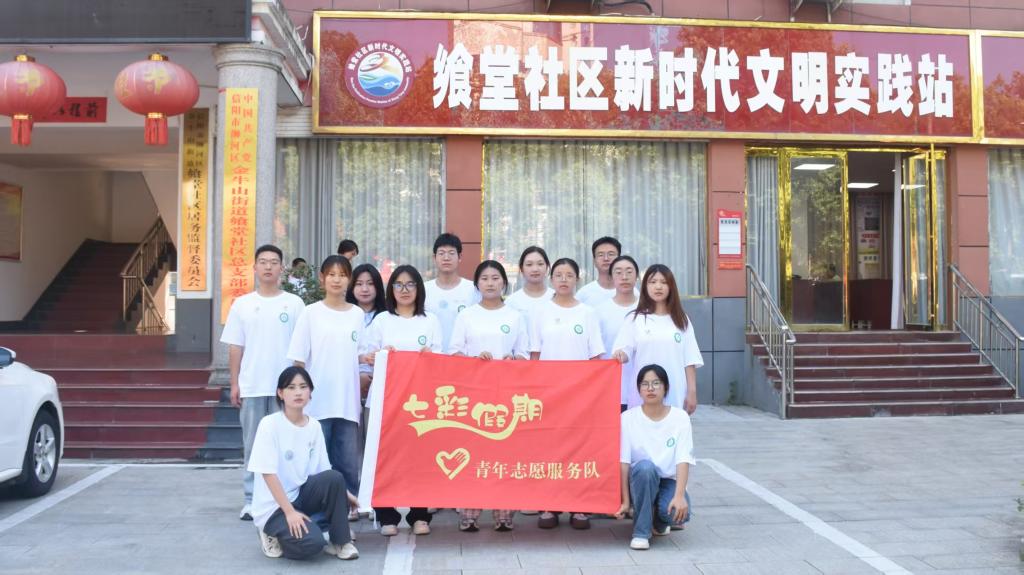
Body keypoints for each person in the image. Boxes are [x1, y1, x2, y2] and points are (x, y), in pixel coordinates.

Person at [221, 244, 305, 522]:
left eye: (274, 262)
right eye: (263, 262)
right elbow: (236, 347)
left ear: (282, 268)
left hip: (287, 390)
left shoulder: (294, 303)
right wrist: (234, 383)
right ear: (255, 268)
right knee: (254, 446)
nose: (268, 266)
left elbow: (302, 347)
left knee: (287, 445)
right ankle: (251, 500)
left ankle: (288, 499)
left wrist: (300, 386)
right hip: (253, 386)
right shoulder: (242, 304)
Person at [361, 264, 442, 536]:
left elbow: (441, 359)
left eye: (410, 284)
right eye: (398, 284)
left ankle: (420, 515)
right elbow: (367, 356)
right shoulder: (382, 320)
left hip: (421, 402)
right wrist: (380, 355)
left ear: (419, 288)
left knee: (420, 457)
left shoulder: (430, 321)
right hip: (386, 401)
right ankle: (387, 516)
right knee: (386, 456)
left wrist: (430, 356)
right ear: (391, 289)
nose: (404, 290)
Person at [449, 260, 529, 533]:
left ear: (504, 283)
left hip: (506, 395)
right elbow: (454, 352)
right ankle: (469, 512)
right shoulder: (467, 316)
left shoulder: (515, 316)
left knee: (504, 452)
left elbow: (524, 354)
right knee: (472, 451)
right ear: (477, 285)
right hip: (473, 395)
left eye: (496, 278)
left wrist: (512, 360)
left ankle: (503, 513)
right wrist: (474, 359)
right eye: (485, 278)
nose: (491, 283)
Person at [249, 366, 359, 561]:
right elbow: (268, 474)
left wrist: (346, 494)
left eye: (303, 387)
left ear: (310, 392)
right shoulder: (269, 424)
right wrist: (289, 512)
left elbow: (325, 471)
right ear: (280, 393)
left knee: (335, 477)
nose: (298, 392)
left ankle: (341, 542)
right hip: (274, 507)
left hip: (300, 495)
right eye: (291, 387)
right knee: (313, 544)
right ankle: (270, 533)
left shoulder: (314, 426)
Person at [529, 257, 604, 530]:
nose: (563, 279)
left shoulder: (588, 313)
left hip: (580, 395)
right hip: (549, 395)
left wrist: (594, 393)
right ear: (551, 279)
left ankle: (579, 506)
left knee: (579, 450)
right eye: (559, 275)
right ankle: (549, 505)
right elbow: (534, 355)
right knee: (549, 450)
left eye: (569, 275)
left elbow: (596, 356)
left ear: (577, 279)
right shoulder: (540, 312)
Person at [286, 256, 365, 506]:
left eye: (342, 275)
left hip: (347, 401)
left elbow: (361, 355)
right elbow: (298, 362)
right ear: (322, 278)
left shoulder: (357, 315)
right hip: (317, 402)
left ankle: (349, 507)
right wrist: (298, 398)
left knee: (348, 461)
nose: (336, 280)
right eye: (331, 274)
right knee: (317, 461)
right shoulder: (310, 313)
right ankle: (320, 507)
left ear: (349, 280)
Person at [615, 364, 693, 551]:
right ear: (639, 390)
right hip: (639, 480)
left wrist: (679, 496)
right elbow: (624, 462)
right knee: (645, 468)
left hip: (667, 481)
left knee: (678, 514)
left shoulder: (680, 418)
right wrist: (625, 500)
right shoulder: (627, 418)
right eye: (645, 384)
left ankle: (658, 522)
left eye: (656, 383)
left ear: (666, 387)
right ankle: (641, 533)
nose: (650, 388)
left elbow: (683, 459)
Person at [612, 264, 703, 414]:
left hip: (675, 390)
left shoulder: (681, 320)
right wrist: (620, 354)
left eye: (664, 282)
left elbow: (690, 359)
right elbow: (623, 350)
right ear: (645, 287)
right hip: (643, 392)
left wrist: (692, 391)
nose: (658, 287)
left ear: (671, 287)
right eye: (653, 282)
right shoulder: (635, 319)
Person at [595, 255, 640, 412]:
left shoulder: (648, 309)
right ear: (611, 277)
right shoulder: (599, 311)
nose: (624, 277)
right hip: (610, 387)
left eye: (629, 272)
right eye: (618, 272)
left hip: (643, 388)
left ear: (637, 276)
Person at [424, 233, 480, 353]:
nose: (446, 258)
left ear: (460, 257)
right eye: (441, 253)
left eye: (451, 253)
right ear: (434, 258)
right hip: (431, 356)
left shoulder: (473, 290)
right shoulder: (424, 290)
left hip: (463, 357)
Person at [505, 246, 554, 323]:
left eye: (540, 264)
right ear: (521, 269)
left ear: (547, 267)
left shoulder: (557, 298)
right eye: (529, 264)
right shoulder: (511, 302)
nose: (535, 269)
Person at [576, 236, 622, 306]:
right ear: (594, 261)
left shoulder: (632, 292)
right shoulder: (583, 294)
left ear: (619, 259)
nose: (606, 258)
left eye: (611, 254)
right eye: (600, 255)